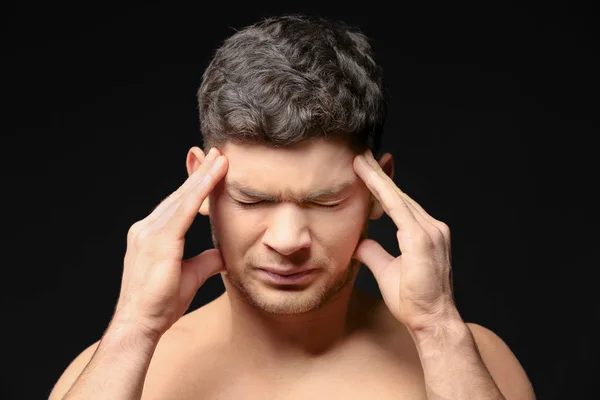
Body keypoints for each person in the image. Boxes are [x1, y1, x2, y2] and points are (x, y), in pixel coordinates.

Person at [49, 14, 535, 400]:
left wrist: (437, 330)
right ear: (199, 181)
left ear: (379, 191)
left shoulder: (472, 362)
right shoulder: (122, 372)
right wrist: (133, 329)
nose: (287, 240)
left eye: (325, 201)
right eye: (251, 199)